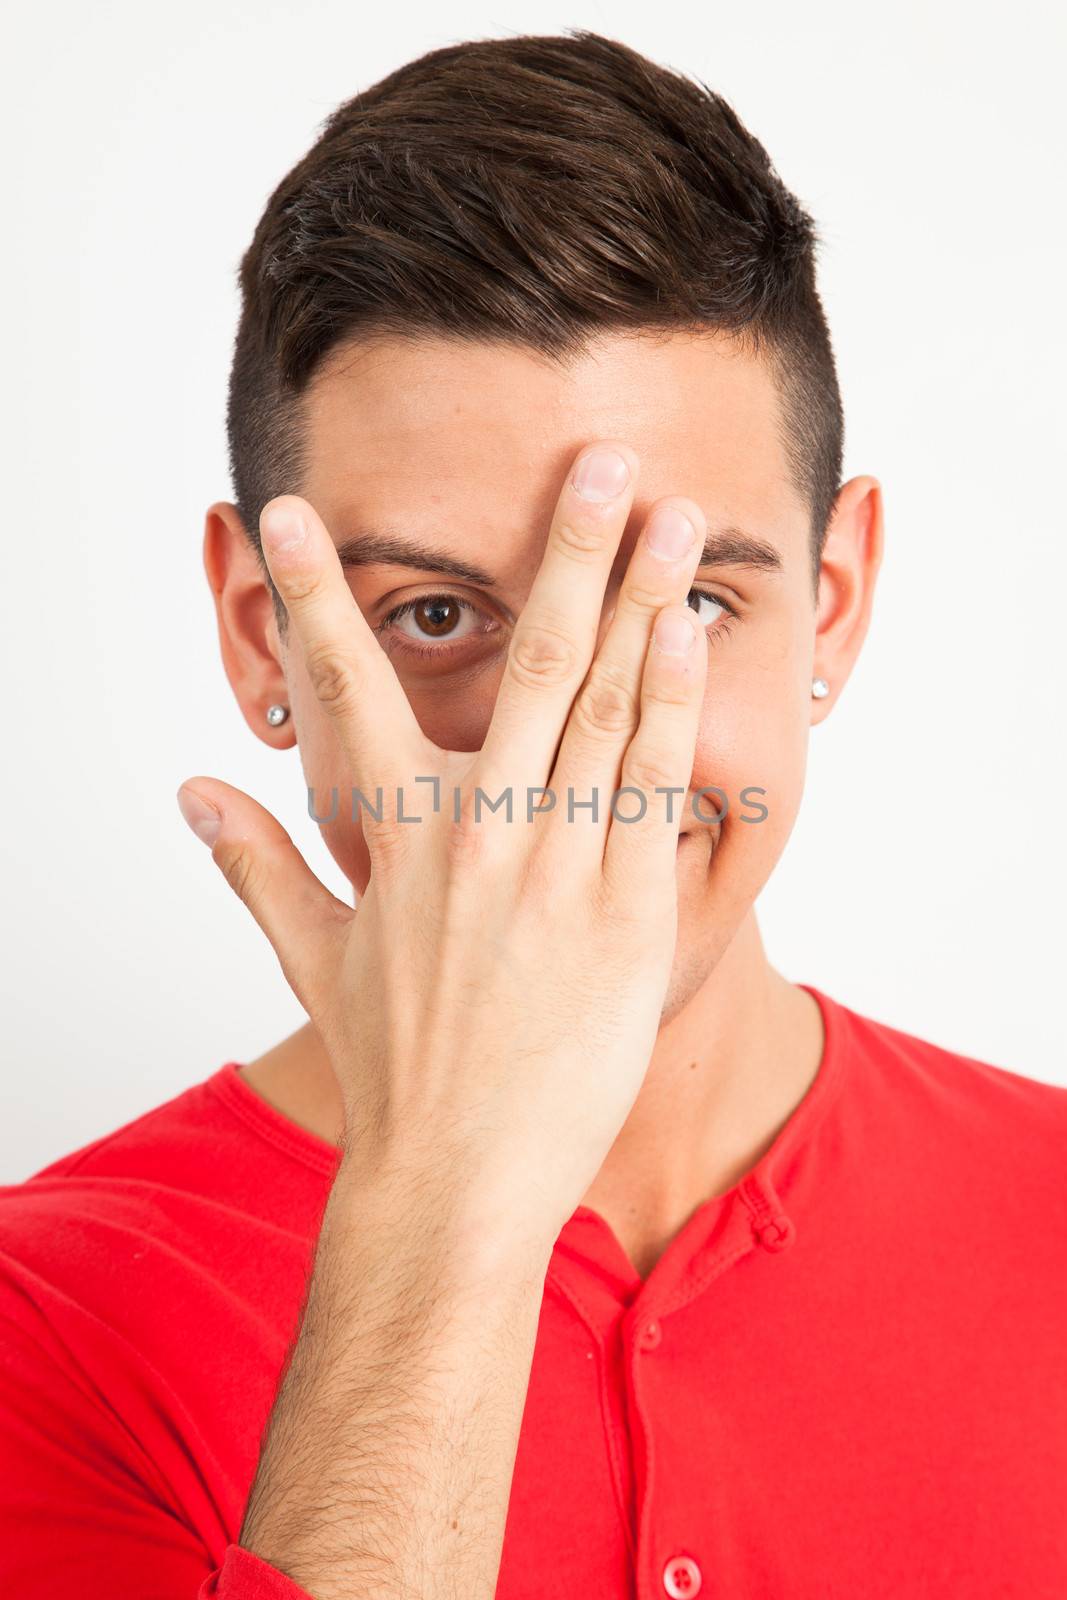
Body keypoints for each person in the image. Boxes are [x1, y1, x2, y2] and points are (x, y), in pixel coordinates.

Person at [2, 27, 1065, 1600]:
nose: (563, 756)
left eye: (690, 599)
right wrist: (448, 1205)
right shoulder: (45, 1322)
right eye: (435, 617)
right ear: (260, 636)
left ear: (831, 610)